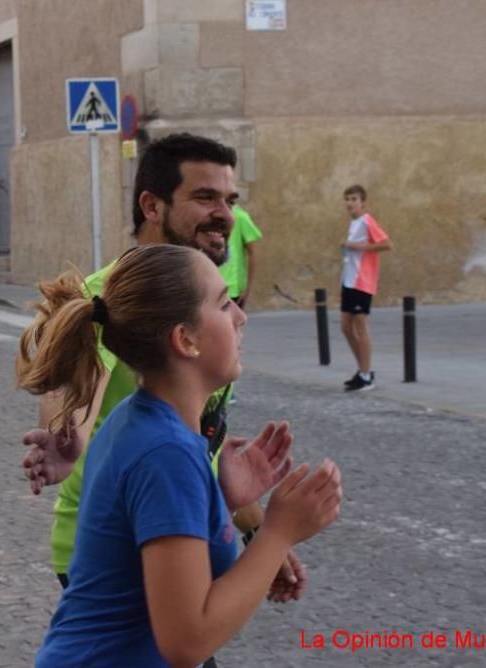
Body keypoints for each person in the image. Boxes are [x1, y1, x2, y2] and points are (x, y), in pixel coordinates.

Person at [18, 244, 343, 667]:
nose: (241, 316)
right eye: (224, 304)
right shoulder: (165, 451)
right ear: (185, 339)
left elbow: (152, 555)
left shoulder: (144, 424)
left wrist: (218, 502)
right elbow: (187, 640)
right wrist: (279, 532)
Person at [21, 134, 307, 602]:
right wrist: (65, 437)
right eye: (204, 197)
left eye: (229, 199)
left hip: (178, 532)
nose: (226, 215)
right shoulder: (114, 298)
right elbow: (76, 394)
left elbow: (206, 440)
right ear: (152, 206)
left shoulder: (204, 305)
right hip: (113, 553)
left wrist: (256, 535)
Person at [340, 184, 392, 391]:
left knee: (360, 327)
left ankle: (366, 374)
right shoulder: (353, 224)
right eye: (347, 199)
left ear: (363, 202)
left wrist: (356, 247)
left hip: (363, 282)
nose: (350, 203)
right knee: (345, 327)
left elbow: (387, 244)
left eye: (354, 199)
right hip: (349, 282)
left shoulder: (367, 221)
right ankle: (361, 370)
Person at [218, 204, 262, 309]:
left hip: (232, 288)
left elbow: (252, 253)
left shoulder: (240, 217)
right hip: (207, 286)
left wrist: (248, 289)